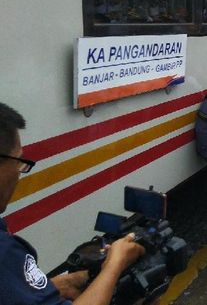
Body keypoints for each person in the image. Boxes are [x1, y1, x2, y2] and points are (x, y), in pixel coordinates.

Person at [0, 103, 145, 304]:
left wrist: (60, 284)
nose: (19, 173)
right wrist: (115, 265)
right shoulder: (4, 254)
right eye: (17, 162)